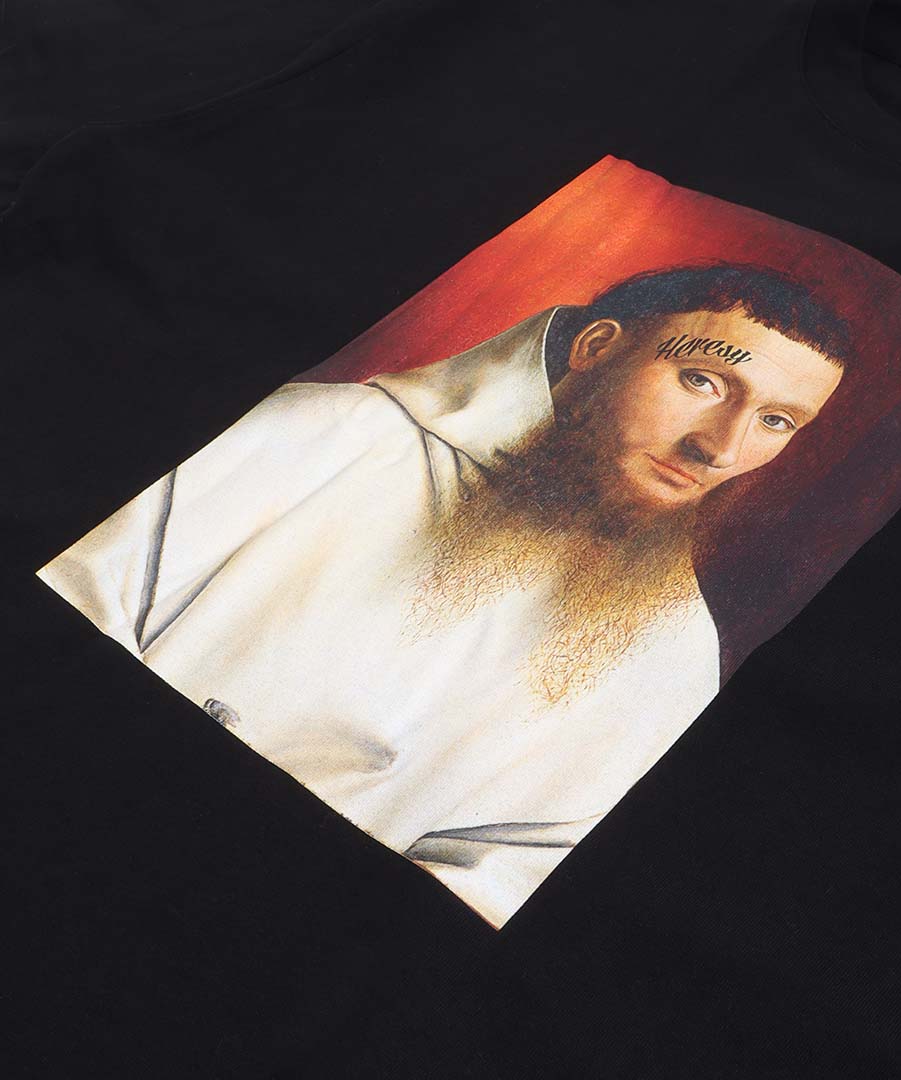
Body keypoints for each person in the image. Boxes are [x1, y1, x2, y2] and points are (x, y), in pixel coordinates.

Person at [36, 262, 852, 927]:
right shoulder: (323, 435)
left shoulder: (675, 654)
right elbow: (65, 613)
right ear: (597, 347)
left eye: (777, 421)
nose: (721, 448)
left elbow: (512, 881)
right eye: (703, 381)